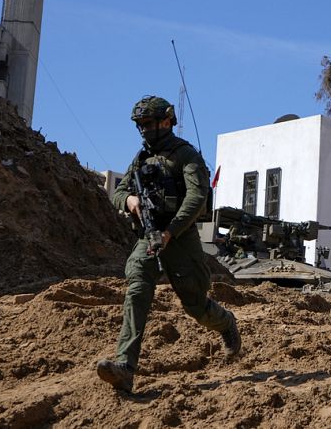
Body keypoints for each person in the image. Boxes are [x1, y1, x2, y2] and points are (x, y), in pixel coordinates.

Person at [97, 95, 241, 392]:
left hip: (180, 237)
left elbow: (196, 198)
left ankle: (226, 323)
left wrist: (170, 232)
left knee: (195, 305)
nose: (143, 129)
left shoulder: (186, 155)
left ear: (166, 121)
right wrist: (129, 200)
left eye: (148, 123)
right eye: (139, 125)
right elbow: (118, 192)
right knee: (137, 288)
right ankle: (125, 367)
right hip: (149, 235)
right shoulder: (141, 158)